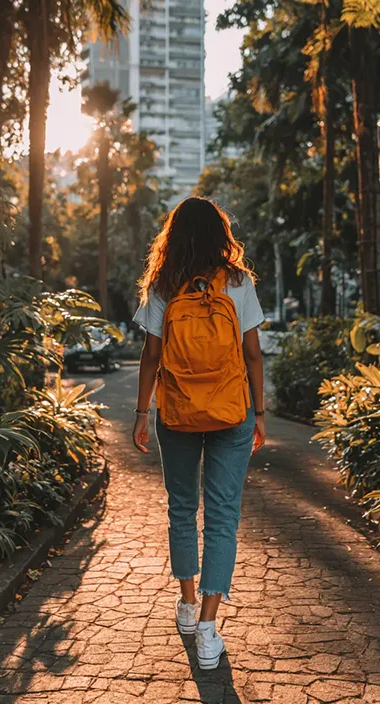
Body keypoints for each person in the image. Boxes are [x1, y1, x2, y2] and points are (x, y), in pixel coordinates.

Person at [132, 196, 266, 671]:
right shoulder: (239, 283)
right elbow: (253, 354)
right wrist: (260, 412)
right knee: (223, 515)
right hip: (232, 410)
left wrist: (142, 413)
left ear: (172, 237)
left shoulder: (162, 284)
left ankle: (188, 605)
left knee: (182, 508)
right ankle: (209, 627)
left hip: (177, 412)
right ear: (220, 235)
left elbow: (151, 356)